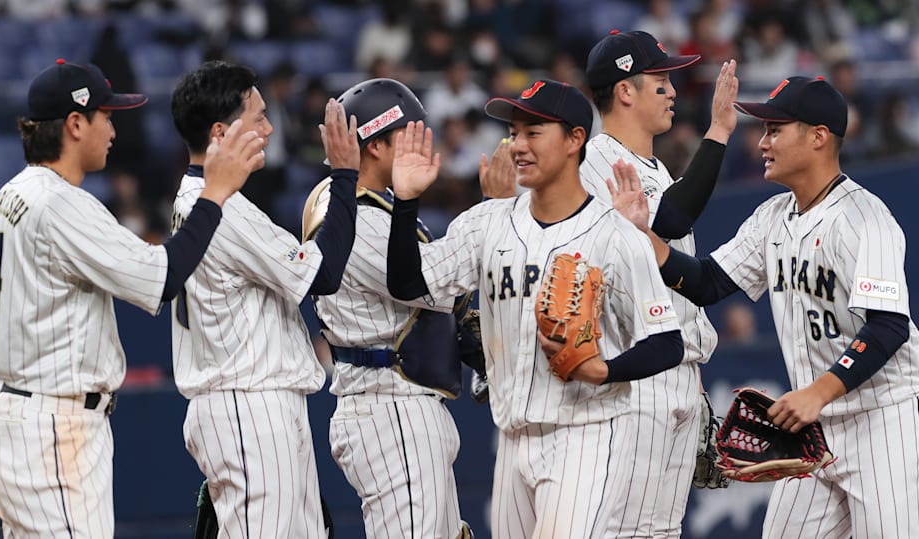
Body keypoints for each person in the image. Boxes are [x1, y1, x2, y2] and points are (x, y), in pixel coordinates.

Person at [611, 75, 919, 539]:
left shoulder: (865, 218)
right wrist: (645, 238)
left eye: (776, 129)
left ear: (817, 137)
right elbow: (707, 283)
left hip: (883, 420)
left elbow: (889, 327)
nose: (762, 142)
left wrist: (817, 393)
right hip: (813, 428)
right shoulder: (772, 217)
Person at [0, 58, 263, 537]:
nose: (113, 127)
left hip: (20, 416)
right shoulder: (60, 203)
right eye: (106, 115)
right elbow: (162, 276)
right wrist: (214, 196)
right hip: (51, 427)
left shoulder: (10, 194)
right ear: (75, 123)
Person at [385, 79, 685, 538]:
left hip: (586, 434)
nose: (517, 146)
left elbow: (667, 343)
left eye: (533, 132)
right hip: (510, 439)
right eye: (514, 132)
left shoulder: (615, 236)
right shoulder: (488, 223)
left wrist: (605, 371)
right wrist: (405, 203)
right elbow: (408, 284)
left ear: (574, 140)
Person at [169, 60, 359, 537]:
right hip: (246, 407)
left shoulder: (203, 200)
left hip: (252, 403)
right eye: (257, 116)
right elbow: (324, 273)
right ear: (220, 131)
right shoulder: (220, 208)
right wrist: (345, 177)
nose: (269, 127)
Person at [574, 29, 739, 538]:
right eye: (661, 80)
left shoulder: (655, 167)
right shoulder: (600, 158)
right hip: (635, 374)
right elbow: (669, 219)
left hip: (675, 370)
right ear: (625, 89)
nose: (672, 91)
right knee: (621, 530)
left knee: (660, 531)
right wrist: (718, 132)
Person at [304, 77, 470, 539]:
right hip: (387, 406)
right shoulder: (357, 215)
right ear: (374, 146)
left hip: (400, 400)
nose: (421, 142)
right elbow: (433, 284)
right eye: (408, 134)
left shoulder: (358, 205)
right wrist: (491, 219)